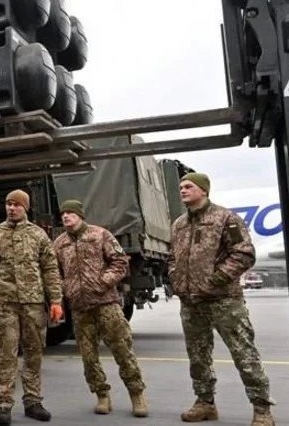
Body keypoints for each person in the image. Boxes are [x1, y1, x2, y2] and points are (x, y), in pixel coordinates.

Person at [169, 172, 275, 426]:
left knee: (244, 354)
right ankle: (205, 403)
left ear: (203, 190)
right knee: (198, 356)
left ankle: (262, 409)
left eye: (188, 186)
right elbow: (172, 256)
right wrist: (175, 277)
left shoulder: (225, 218)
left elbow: (244, 254)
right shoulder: (179, 224)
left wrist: (214, 280)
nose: (183, 190)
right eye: (181, 187)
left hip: (223, 300)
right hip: (191, 302)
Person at [51, 199, 148, 418]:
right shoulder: (59, 243)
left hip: (106, 304)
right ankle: (102, 395)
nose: (65, 216)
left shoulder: (100, 235)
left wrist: (104, 281)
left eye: (70, 213)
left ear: (80, 215)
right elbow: (53, 272)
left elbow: (120, 261)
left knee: (122, 349)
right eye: (63, 213)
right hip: (79, 307)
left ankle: (136, 394)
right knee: (88, 356)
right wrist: (65, 288)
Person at [0, 189, 64, 426]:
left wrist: (56, 301)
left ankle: (33, 401)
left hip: (34, 304)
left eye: (16, 204)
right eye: (8, 204)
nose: (11, 208)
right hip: (5, 304)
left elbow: (50, 270)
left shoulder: (38, 236)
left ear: (25, 207)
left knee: (34, 353)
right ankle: (4, 403)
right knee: (6, 354)